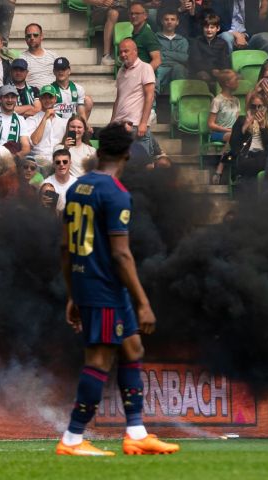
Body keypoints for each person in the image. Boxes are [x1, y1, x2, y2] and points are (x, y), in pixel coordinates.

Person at [56, 122, 180, 456]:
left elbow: (66, 248)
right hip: (105, 287)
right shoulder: (116, 193)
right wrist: (143, 303)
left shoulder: (78, 188)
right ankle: (72, 438)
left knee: (133, 348)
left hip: (89, 283)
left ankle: (136, 432)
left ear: (98, 151)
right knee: (98, 360)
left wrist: (72, 292)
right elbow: (122, 254)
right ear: (128, 154)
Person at [112, 39, 155, 156]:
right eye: (120, 52)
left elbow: (150, 96)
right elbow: (118, 99)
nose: (123, 55)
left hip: (136, 125)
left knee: (142, 165)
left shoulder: (145, 67)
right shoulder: (120, 71)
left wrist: (144, 123)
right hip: (120, 125)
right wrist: (112, 122)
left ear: (135, 51)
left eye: (126, 51)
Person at [25, 85, 69, 174]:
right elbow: (34, 141)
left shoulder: (64, 122)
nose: (47, 100)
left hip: (58, 161)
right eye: (44, 97)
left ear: (55, 99)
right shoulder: (31, 120)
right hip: (39, 161)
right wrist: (45, 117)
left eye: (50, 97)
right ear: (40, 99)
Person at [0, 84, 30, 157]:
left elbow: (26, 147)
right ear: (0, 99)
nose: (10, 100)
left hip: (14, 158)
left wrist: (16, 157)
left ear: (16, 99)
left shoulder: (20, 119)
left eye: (13, 97)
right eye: (6, 97)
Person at [188, 12, 230, 86]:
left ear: (218, 28)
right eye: (206, 27)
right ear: (203, 28)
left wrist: (221, 72)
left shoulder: (223, 43)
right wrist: (212, 70)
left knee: (236, 77)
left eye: (212, 27)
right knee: (204, 76)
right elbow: (196, 62)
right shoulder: (196, 42)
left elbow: (225, 62)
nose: (209, 30)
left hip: (219, 72)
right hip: (202, 71)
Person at [84, 0, 129, 66]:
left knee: (138, 12)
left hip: (122, 9)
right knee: (113, 13)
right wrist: (102, 2)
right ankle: (105, 56)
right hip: (100, 11)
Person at [155, 8, 189, 94]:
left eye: (172, 19)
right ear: (162, 21)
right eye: (166, 19)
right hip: (161, 67)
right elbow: (158, 57)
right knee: (154, 72)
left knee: (179, 68)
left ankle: (179, 105)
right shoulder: (155, 38)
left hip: (177, 68)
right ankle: (152, 106)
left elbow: (184, 58)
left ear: (177, 22)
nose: (169, 22)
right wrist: (176, 55)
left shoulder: (182, 40)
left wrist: (165, 53)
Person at [18, 23, 58, 89]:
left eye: (35, 35)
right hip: (32, 96)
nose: (32, 38)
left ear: (42, 36)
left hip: (52, 95)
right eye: (29, 36)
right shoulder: (21, 59)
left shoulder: (53, 56)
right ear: (25, 38)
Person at [128, 2, 162, 70]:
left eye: (137, 13)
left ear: (145, 15)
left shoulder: (147, 34)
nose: (133, 16)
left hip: (144, 79)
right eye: (131, 13)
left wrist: (143, 75)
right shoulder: (135, 33)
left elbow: (157, 61)